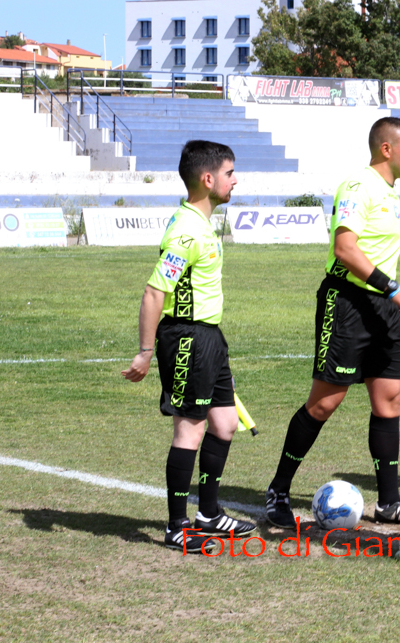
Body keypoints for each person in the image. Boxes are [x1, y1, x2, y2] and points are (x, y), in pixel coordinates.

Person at [263, 117, 400, 529]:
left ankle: (389, 502)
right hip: (347, 303)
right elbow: (345, 250)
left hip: (382, 308)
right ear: (386, 149)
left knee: (388, 400)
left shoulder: (391, 194)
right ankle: (278, 490)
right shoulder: (358, 186)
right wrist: (394, 290)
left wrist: (398, 311)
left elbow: (377, 256)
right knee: (324, 403)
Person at [121, 140, 256, 552]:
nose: (235, 180)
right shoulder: (185, 231)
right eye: (230, 173)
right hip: (187, 339)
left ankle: (209, 514)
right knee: (190, 429)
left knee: (225, 423)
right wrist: (145, 351)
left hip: (210, 337)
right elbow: (154, 292)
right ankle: (177, 526)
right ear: (208, 178)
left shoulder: (201, 223)